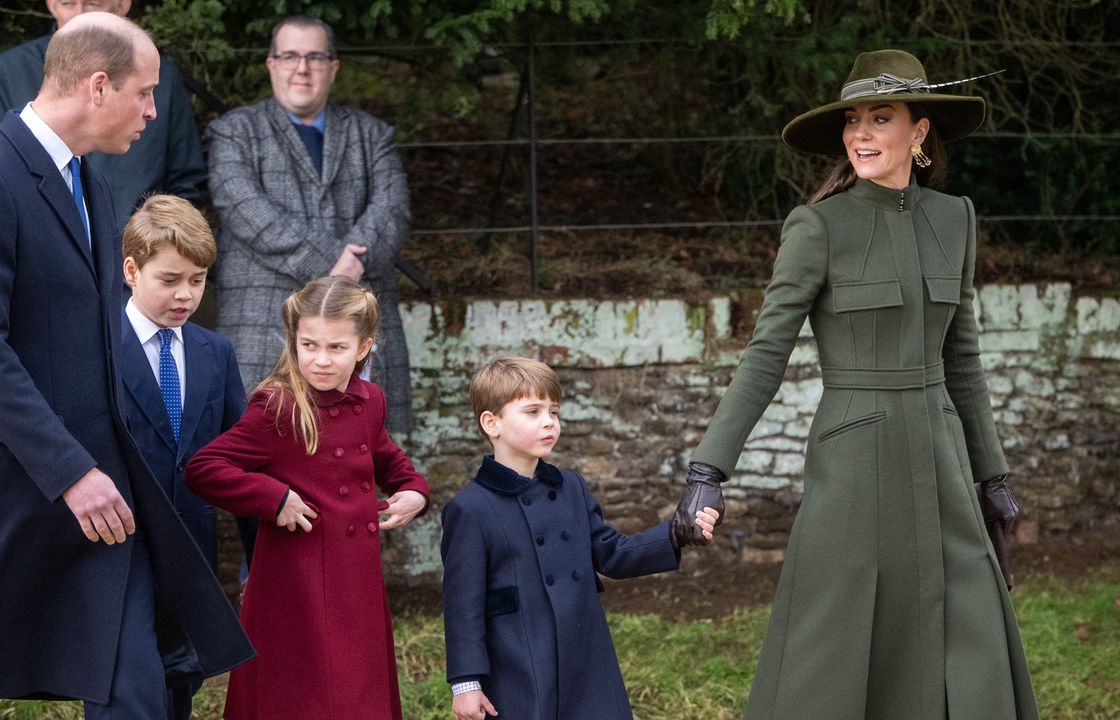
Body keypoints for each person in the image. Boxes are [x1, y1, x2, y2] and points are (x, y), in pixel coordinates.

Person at [0, 13, 252, 719]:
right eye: (145, 93)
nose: (154, 110)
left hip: (99, 498)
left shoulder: (88, 181)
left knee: (135, 689)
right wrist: (69, 472)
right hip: (3, 492)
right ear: (98, 86)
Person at [669, 49, 1037, 719]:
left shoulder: (955, 218)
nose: (861, 134)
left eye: (881, 117)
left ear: (919, 132)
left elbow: (963, 360)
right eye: (853, 121)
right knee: (832, 647)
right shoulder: (818, 226)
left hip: (943, 457)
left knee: (969, 634)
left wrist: (993, 476)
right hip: (854, 461)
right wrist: (709, 467)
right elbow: (765, 354)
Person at [185, 274, 430, 720]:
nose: (320, 360)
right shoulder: (278, 406)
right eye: (309, 345)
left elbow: (388, 457)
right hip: (295, 584)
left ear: (363, 348)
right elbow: (205, 467)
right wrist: (273, 498)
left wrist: (414, 491)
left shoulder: (370, 399)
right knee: (308, 698)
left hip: (356, 580)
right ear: (293, 342)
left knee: (359, 693)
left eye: (336, 348)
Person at [442, 357, 720, 720]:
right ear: (491, 423)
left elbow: (612, 553)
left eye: (553, 411)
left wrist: (675, 533)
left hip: (584, 654)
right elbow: (462, 606)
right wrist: (466, 684)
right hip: (518, 662)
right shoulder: (470, 508)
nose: (549, 422)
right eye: (532, 411)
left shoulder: (570, 487)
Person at [207, 16, 414, 435]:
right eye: (290, 56)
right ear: (271, 65)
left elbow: (392, 211)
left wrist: (351, 262)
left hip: (359, 330)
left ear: (333, 67)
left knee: (362, 462)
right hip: (264, 325)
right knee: (265, 469)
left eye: (315, 57)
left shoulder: (373, 135)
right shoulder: (234, 133)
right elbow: (247, 211)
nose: (302, 68)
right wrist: (338, 264)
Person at [117, 194, 247, 720]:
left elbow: (241, 461)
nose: (186, 295)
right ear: (132, 269)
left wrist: (256, 560)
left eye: (197, 280)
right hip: (118, 550)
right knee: (129, 689)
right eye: (169, 280)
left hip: (192, 553)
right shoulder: (95, 347)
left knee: (179, 688)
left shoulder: (215, 353)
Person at [0, 0, 205, 230]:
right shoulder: (11, 70)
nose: (77, 16)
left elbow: (186, 181)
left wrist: (157, 247)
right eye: (68, 4)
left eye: (92, 4)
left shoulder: (159, 73)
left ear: (122, 5)